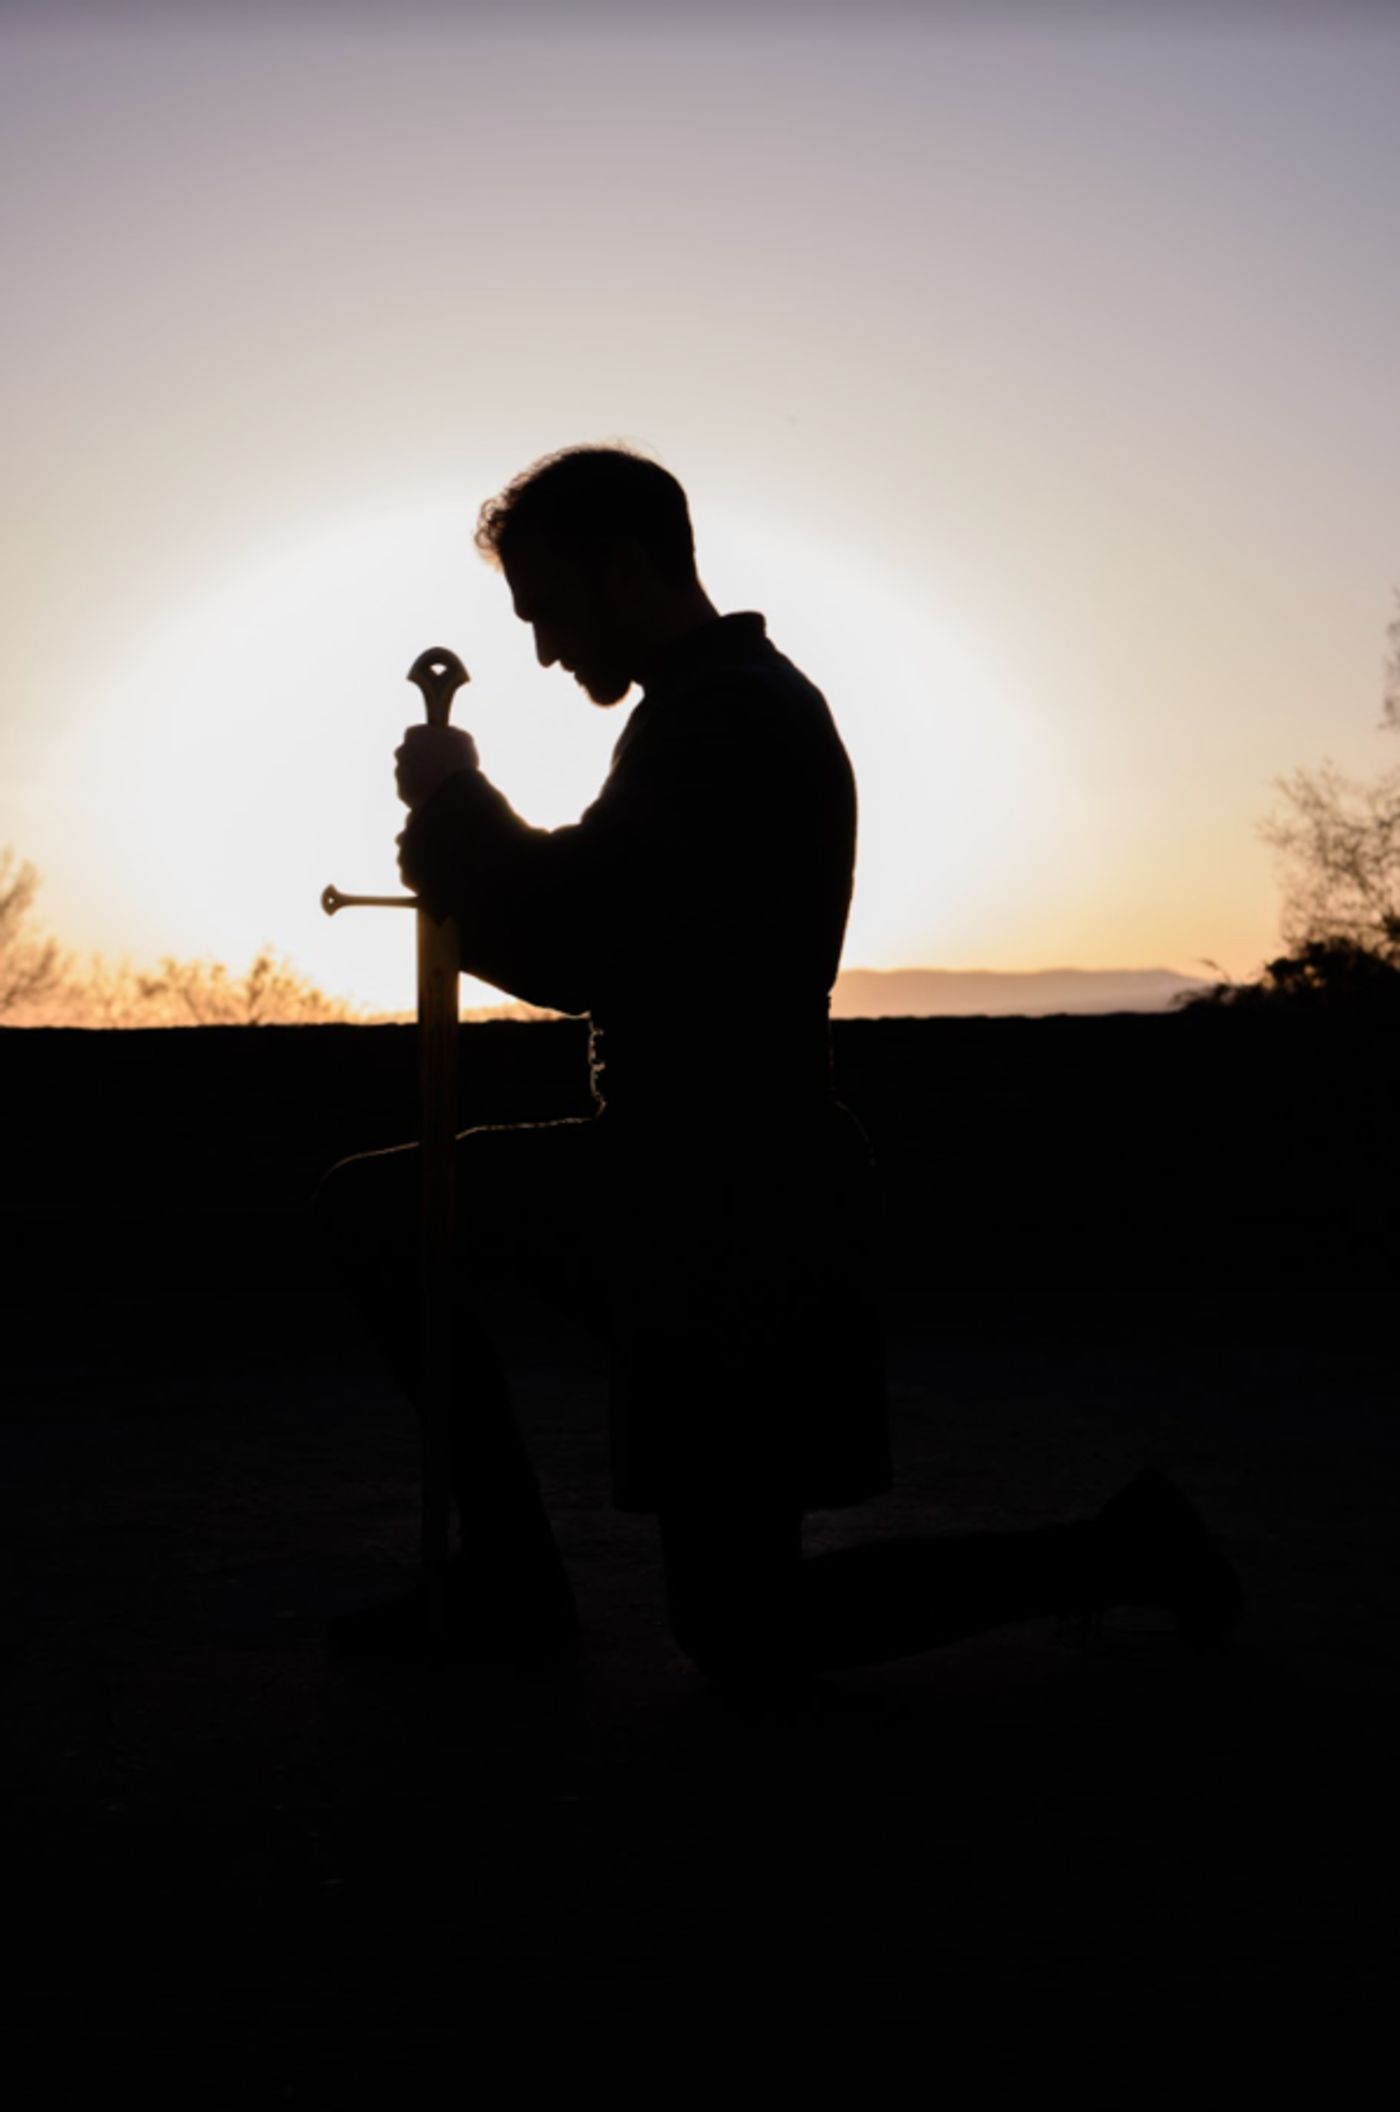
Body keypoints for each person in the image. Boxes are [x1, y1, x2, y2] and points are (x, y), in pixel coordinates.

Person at [317, 443, 1241, 1688]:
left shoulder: (730, 721)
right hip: (685, 1180)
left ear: (626, 570)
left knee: (746, 1629)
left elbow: (581, 934)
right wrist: (464, 833)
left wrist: (453, 806)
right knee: (381, 1215)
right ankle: (513, 1583)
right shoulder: (705, 710)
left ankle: (1120, 1550)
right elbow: (581, 921)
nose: (543, 650)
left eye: (548, 611)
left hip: (728, 1201)